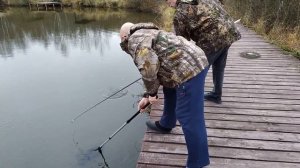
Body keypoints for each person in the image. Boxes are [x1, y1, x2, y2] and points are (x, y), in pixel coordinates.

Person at [120, 22, 210, 168]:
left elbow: (149, 70)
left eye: (121, 40)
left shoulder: (135, 40)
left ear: (125, 36)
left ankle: (197, 163)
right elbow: (157, 66)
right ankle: (166, 124)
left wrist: (152, 94)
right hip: (193, 59)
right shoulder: (146, 32)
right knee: (169, 89)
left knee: (189, 116)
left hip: (189, 70)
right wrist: (147, 95)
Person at [166, 0, 241, 104]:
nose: (168, 4)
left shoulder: (180, 12)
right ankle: (216, 95)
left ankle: (193, 101)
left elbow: (182, 42)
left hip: (211, 39)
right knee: (219, 66)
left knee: (198, 70)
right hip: (229, 32)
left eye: (168, 1)